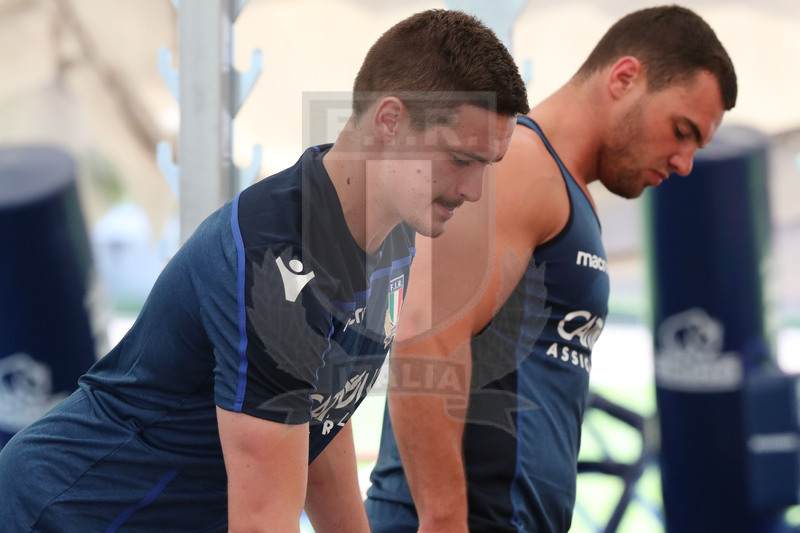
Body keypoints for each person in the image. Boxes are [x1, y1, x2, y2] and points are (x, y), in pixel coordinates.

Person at [0, 9, 529, 533]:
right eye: (462, 159)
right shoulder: (274, 261)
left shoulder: (393, 236)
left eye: (487, 165)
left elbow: (320, 417)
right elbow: (263, 523)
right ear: (389, 122)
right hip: (58, 513)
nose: (473, 190)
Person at [366, 5, 738, 532]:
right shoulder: (519, 164)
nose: (684, 162)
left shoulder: (568, 193)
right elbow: (425, 333)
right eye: (681, 130)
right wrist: (445, 520)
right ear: (625, 77)